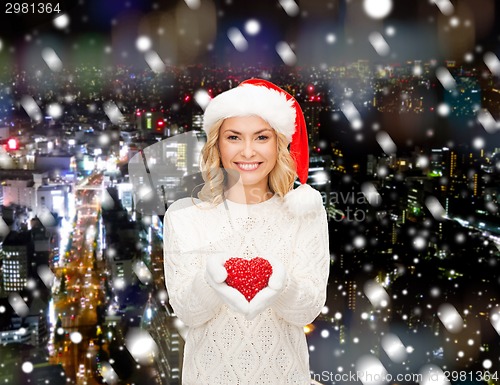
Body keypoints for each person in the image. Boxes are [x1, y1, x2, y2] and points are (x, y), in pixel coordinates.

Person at [163, 78, 330, 385]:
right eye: (234, 137)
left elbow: (306, 311)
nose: (248, 151)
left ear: (278, 144)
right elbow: (188, 312)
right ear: (218, 144)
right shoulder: (184, 217)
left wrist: (278, 281)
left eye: (262, 137)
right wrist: (211, 279)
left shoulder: (304, 212)